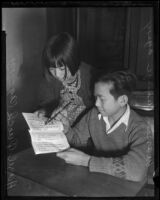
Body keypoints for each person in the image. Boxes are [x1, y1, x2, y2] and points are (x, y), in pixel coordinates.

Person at [56, 71, 153, 183]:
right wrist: (67, 129)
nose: (96, 103)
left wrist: (87, 161)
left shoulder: (140, 128)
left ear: (122, 100)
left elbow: (137, 172)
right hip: (99, 180)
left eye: (101, 99)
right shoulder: (94, 114)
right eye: (95, 98)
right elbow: (77, 139)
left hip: (127, 187)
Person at [34, 32, 94, 127]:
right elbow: (47, 102)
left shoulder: (90, 76)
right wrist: (44, 111)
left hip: (86, 125)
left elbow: (99, 109)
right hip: (58, 124)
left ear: (73, 61)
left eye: (62, 69)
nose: (57, 74)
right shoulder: (50, 77)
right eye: (52, 69)